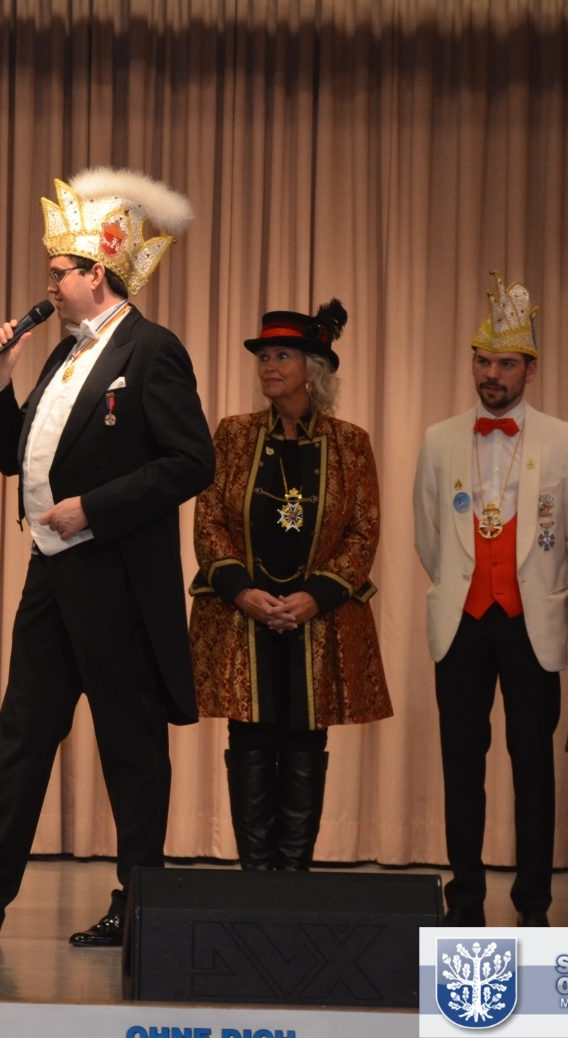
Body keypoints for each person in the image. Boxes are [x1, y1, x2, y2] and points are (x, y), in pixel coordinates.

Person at [0, 169, 215, 947]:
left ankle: (139, 906)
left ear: (94, 274)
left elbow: (190, 462)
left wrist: (93, 508)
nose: (48, 286)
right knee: (24, 731)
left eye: (57, 272)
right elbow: (16, 458)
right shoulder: (61, 358)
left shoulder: (150, 351)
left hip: (114, 576)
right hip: (52, 571)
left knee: (129, 746)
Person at [413, 272, 568, 927]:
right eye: (484, 362)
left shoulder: (567, 441)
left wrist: (548, 602)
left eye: (506, 364)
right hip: (461, 623)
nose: (492, 374)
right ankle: (464, 900)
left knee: (532, 768)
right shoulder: (438, 440)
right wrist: (465, 587)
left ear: (530, 370)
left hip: (531, 624)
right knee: (461, 766)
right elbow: (429, 536)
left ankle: (533, 904)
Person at [189, 302, 391, 873]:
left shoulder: (350, 443)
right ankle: (257, 876)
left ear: (313, 369)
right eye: (264, 357)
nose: (269, 366)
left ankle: (293, 876)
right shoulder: (233, 434)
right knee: (249, 737)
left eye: (282, 356)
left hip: (316, 621)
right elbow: (209, 521)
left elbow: (364, 530)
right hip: (242, 618)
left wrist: (314, 597)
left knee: (304, 739)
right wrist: (243, 592)